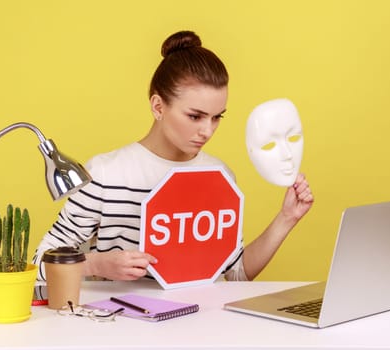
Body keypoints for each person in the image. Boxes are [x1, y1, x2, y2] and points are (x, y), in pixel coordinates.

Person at [32, 30, 314, 282]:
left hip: (197, 327)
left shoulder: (219, 176)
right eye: (195, 116)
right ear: (158, 106)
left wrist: (286, 218)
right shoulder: (106, 173)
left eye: (217, 117)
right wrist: (95, 265)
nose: (207, 130)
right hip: (120, 327)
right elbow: (39, 261)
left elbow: (235, 274)